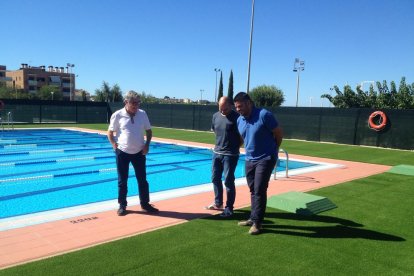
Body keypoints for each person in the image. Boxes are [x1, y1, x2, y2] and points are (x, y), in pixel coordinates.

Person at [233, 92, 283, 235]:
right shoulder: (239, 120)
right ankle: (253, 217)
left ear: (249, 103)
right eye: (236, 107)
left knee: (259, 189)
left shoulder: (264, 115)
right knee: (253, 189)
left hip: (265, 158)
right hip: (249, 159)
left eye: (240, 106)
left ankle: (257, 223)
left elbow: (278, 133)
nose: (238, 109)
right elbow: (244, 138)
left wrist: (274, 149)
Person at [107, 91, 159, 216]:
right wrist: (115, 146)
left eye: (138, 103)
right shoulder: (117, 115)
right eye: (133, 103)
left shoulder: (142, 114)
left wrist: (147, 145)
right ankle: (122, 205)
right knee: (122, 180)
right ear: (126, 102)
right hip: (122, 152)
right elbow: (110, 132)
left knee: (142, 180)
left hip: (139, 152)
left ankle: (145, 204)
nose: (136, 106)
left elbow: (149, 131)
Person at [206, 96, 241, 217]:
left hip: (230, 155)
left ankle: (229, 208)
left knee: (228, 181)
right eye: (220, 108)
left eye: (225, 109)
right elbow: (216, 131)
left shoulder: (237, 118)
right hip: (217, 153)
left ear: (231, 106)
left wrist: (234, 147)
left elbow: (242, 137)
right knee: (215, 178)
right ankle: (218, 203)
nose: (222, 111)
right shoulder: (215, 116)